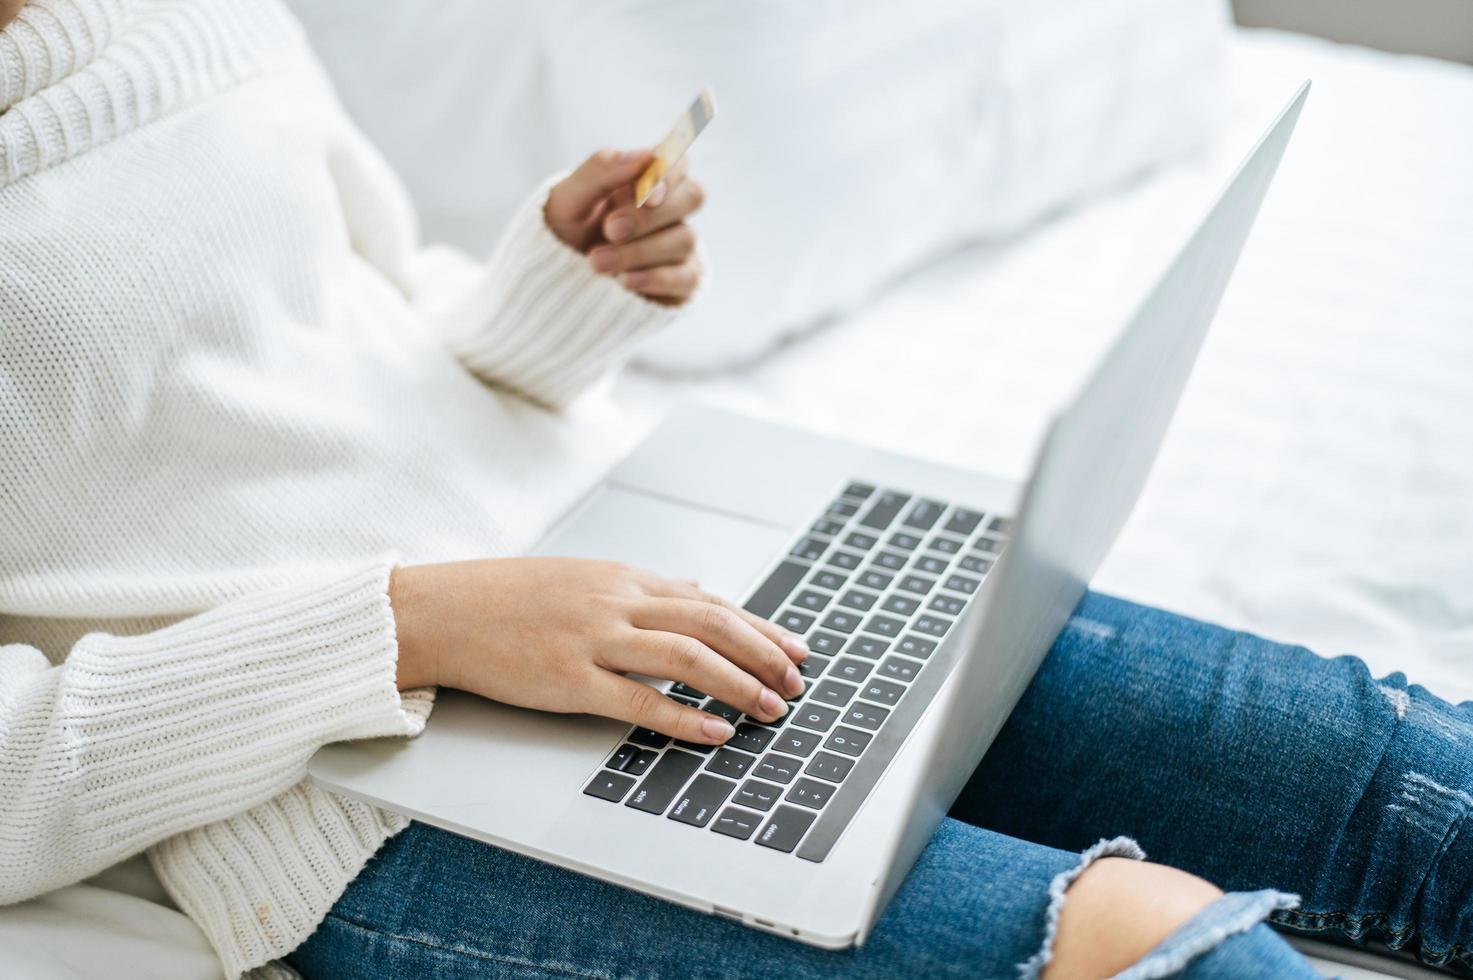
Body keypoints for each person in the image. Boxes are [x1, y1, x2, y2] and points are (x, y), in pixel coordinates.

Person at [2, 2, 1467, 978]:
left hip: (646, 560)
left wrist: (559, 291)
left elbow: (345, 339)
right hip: (343, 782)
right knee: (1160, 951)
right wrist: (405, 629)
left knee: (1394, 766)